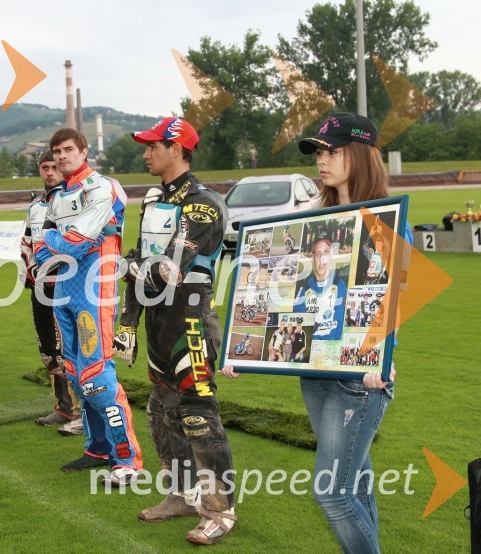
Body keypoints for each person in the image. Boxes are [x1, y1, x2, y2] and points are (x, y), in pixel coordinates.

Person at [221, 112, 408, 553]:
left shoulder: (385, 221)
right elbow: (273, 287)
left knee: (332, 491)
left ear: (360, 156)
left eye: (333, 151)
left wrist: (379, 358)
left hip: (359, 380)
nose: (322, 160)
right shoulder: (312, 215)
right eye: (319, 152)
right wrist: (244, 349)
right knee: (356, 484)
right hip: (315, 373)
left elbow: (386, 303)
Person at [113, 117, 236, 544]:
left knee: (199, 415)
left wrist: (125, 266)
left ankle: (221, 509)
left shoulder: (203, 203)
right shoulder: (153, 200)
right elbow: (140, 265)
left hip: (191, 319)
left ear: (178, 149)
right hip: (157, 319)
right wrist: (127, 323)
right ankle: (183, 495)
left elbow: (166, 270)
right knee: (161, 411)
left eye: (152, 146)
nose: (145, 153)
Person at [33, 128, 142, 485]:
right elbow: (41, 247)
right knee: (75, 373)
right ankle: (97, 449)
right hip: (64, 287)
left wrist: (51, 241)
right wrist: (53, 242)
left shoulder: (101, 187)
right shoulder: (57, 195)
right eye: (56, 151)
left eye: (68, 150)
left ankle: (127, 458)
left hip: (94, 287)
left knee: (96, 375)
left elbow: (75, 243)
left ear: (84, 151)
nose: (62, 156)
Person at [20, 151, 81, 432]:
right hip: (40, 286)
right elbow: (27, 242)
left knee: (69, 348)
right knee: (48, 350)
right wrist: (28, 275)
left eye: (53, 167)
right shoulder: (35, 206)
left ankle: (81, 411)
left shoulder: (73, 199)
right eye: (44, 167)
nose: (48, 172)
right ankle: (63, 408)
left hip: (66, 286)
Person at [293, 230, 348, 341]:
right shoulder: (305, 288)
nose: (322, 258)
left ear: (331, 254)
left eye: (326, 252)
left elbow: (340, 322)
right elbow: (297, 318)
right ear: (313, 259)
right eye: (318, 254)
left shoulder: (340, 285)